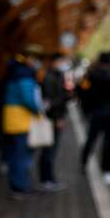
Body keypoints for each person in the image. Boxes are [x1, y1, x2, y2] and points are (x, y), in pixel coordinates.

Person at [0, 53, 43, 198]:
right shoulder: (24, 76)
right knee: (21, 155)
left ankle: (17, 184)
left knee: (14, 154)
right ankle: (20, 186)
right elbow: (28, 99)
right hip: (21, 121)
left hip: (11, 119)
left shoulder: (12, 75)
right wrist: (38, 111)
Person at [37, 54, 71, 191]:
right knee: (49, 150)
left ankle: (48, 178)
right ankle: (47, 179)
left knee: (50, 150)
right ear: (55, 62)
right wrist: (58, 118)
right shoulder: (50, 78)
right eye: (63, 61)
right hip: (52, 119)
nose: (64, 64)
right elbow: (52, 101)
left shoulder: (56, 76)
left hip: (54, 118)